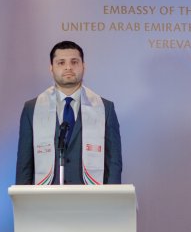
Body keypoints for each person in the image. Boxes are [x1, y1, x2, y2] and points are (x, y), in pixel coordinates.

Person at [16, 40, 122, 186]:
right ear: (51, 68)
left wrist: (112, 196)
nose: (68, 67)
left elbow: (114, 161)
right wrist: (23, 197)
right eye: (61, 63)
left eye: (74, 62)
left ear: (83, 66)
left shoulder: (104, 108)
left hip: (92, 195)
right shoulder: (32, 108)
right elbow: (24, 164)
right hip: (46, 196)